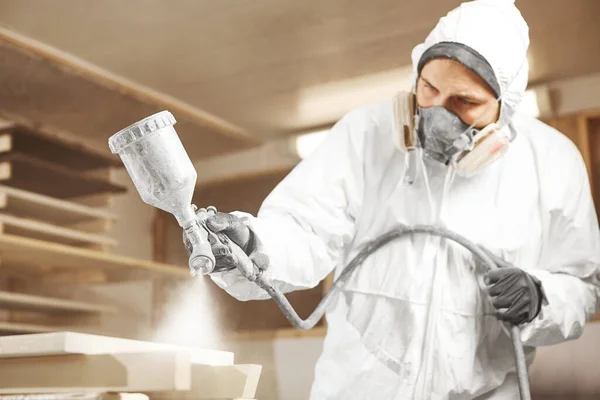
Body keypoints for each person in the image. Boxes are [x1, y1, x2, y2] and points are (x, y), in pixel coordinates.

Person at [188, 0, 600, 398]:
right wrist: (252, 243)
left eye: (465, 102)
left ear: (503, 107)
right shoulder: (367, 135)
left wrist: (541, 296)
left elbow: (584, 284)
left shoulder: (552, 163)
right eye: (429, 88)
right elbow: (304, 229)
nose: (437, 114)